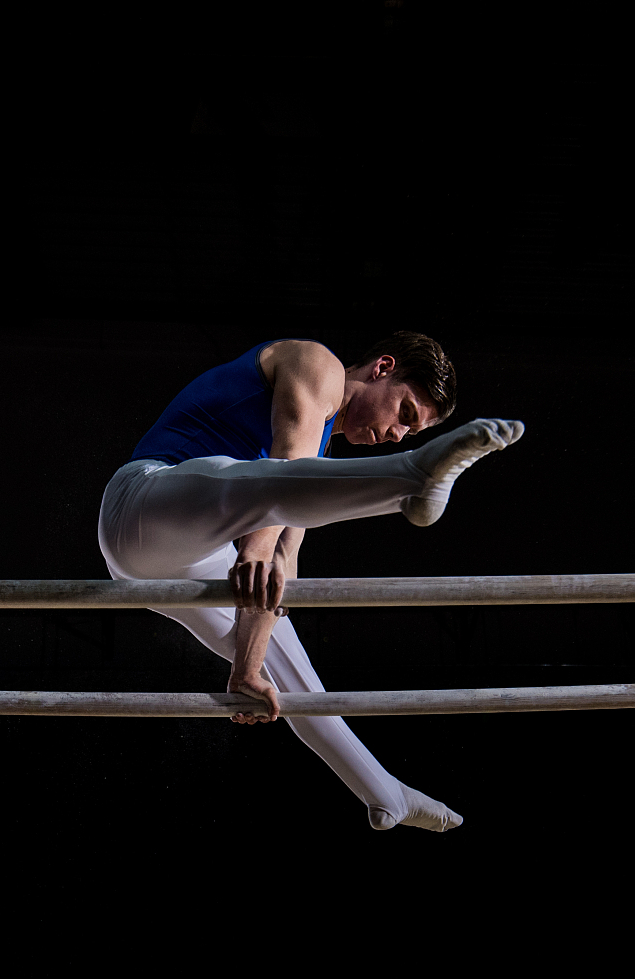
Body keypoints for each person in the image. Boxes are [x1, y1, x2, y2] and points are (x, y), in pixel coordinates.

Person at [96, 332, 525, 832]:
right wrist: (256, 549)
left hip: (191, 556)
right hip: (143, 505)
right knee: (251, 481)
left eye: (410, 433)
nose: (395, 433)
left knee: (293, 673)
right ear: (382, 368)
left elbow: (279, 571)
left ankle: (382, 791)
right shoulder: (316, 363)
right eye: (404, 413)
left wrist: (247, 668)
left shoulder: (312, 480)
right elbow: (283, 468)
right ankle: (411, 479)